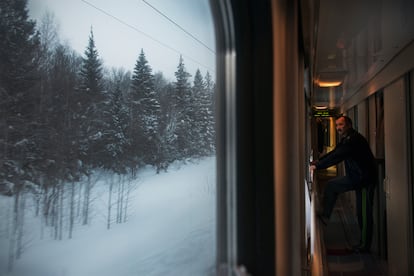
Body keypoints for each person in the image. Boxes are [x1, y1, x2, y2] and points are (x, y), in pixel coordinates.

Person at [310, 115, 377, 253]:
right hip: (356, 178)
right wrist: (318, 162)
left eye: (341, 125)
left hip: (364, 181)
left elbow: (337, 156)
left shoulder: (354, 140)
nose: (338, 128)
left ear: (349, 125)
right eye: (337, 125)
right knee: (331, 186)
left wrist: (319, 166)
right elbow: (335, 152)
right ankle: (325, 217)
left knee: (363, 213)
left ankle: (365, 246)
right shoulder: (346, 139)